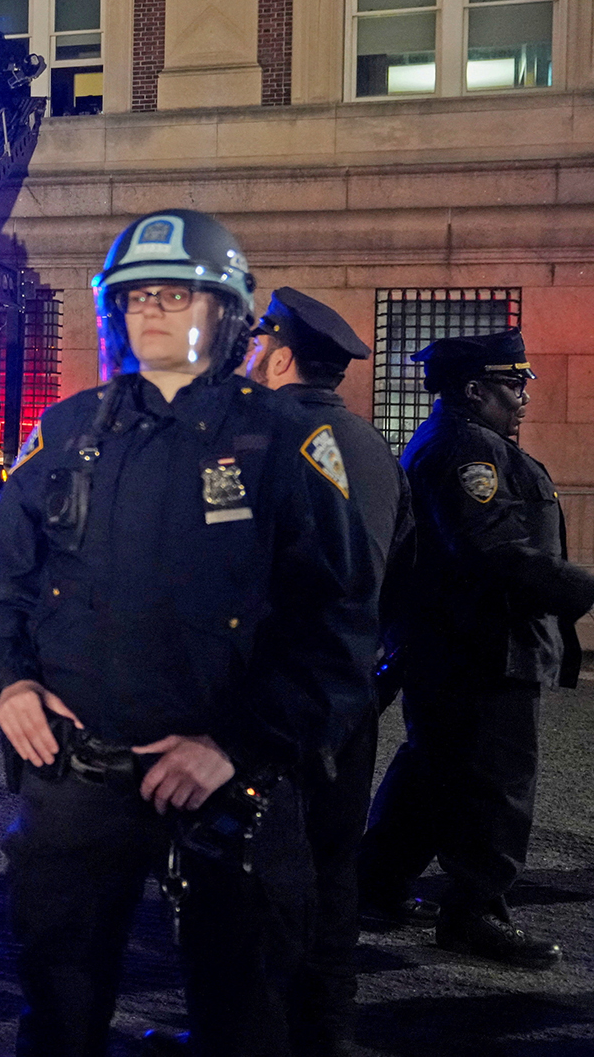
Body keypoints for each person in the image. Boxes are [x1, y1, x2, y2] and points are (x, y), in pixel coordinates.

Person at [0, 210, 376, 1057]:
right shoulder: (68, 434)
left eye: (177, 295)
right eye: (137, 297)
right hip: (77, 783)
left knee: (244, 1019)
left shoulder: (287, 443)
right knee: (59, 1015)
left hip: (229, 789)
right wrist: (9, 680)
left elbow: (335, 633)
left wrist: (233, 745)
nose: (152, 312)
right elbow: (0, 584)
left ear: (225, 314)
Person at [358, 329, 592, 971]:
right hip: (484, 648)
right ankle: (476, 911)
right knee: (496, 785)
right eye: (512, 385)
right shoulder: (466, 450)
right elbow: (493, 551)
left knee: (435, 772)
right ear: (473, 390)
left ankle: (375, 886)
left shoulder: (462, 441)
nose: (523, 398)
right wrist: (584, 587)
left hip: (461, 645)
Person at [238, 289, 413, 1056]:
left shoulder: (255, 433)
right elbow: (407, 567)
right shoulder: (373, 445)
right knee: (334, 866)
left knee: (255, 869)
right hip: (350, 692)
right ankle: (327, 1029)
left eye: (254, 345)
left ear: (279, 353)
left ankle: (249, 1031)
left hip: (267, 692)